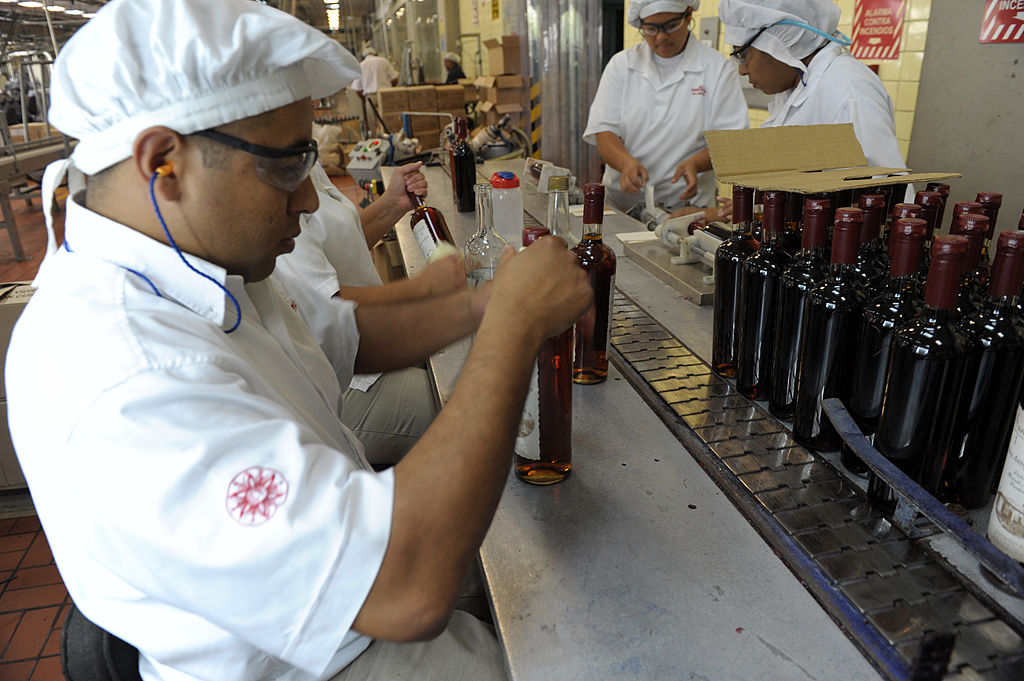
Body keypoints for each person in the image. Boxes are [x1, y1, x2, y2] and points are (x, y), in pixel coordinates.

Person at [5, 2, 591, 681]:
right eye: (285, 169)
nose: (311, 201)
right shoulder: (122, 376)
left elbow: (348, 332)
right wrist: (514, 327)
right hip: (326, 660)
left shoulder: (196, 261)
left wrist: (486, 303)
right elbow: (405, 592)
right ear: (163, 160)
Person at [276, 160, 465, 465]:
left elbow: (340, 244)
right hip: (345, 384)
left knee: (457, 357)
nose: (308, 202)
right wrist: (425, 289)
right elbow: (328, 305)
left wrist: (392, 204)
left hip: (364, 344)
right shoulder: (275, 177)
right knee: (467, 408)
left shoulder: (304, 157)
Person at [583, 0, 749, 221]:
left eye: (670, 25)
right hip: (623, 206)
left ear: (688, 15)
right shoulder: (621, 66)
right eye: (651, 29)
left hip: (687, 209)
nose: (661, 37)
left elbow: (731, 142)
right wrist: (625, 163)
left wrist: (695, 163)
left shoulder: (717, 69)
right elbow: (604, 132)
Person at [718, 0, 906, 172]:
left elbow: (880, 197)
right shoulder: (798, 85)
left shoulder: (850, 92)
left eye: (743, 55)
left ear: (779, 39)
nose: (742, 70)